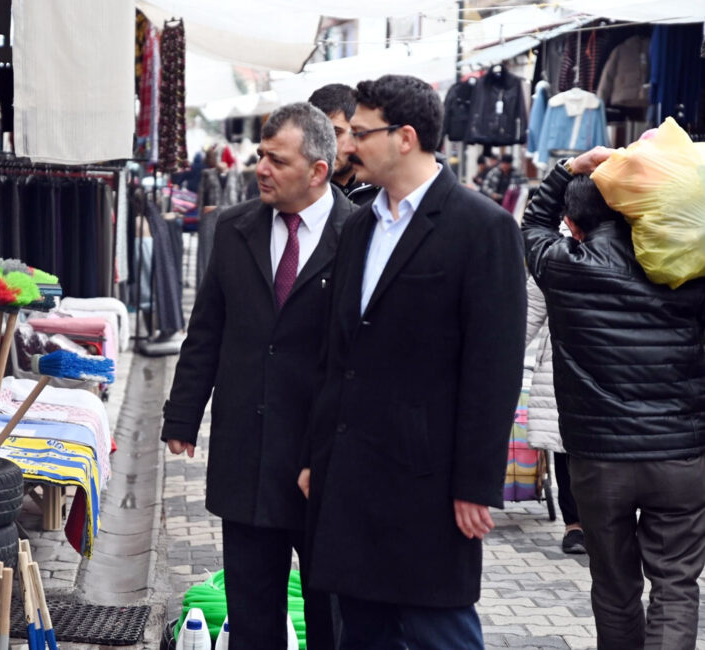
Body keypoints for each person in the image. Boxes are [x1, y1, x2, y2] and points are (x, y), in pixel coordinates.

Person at [298, 75, 526, 648]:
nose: (347, 147)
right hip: (352, 474)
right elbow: (337, 357)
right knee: (361, 631)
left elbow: (494, 367)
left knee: (439, 628)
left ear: (404, 137)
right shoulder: (359, 227)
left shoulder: (483, 227)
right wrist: (315, 456)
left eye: (360, 133)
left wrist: (476, 483)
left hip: (428, 479)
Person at [162, 102, 356, 649]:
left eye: (276, 159)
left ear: (318, 170)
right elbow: (207, 328)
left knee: (331, 617)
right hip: (246, 452)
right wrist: (183, 415)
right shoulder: (234, 228)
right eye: (260, 156)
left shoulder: (360, 234)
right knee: (252, 616)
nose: (260, 169)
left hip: (322, 461)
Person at [522, 149, 705, 648]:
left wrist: (567, 169)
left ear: (573, 225)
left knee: (615, 587)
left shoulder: (564, 266)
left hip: (600, 462)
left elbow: (532, 225)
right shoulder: (690, 269)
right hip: (681, 456)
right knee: (676, 584)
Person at [524, 275, 585, 555]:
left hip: (619, 361)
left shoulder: (639, 244)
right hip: (563, 362)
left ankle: (607, 525)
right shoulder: (556, 254)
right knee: (564, 443)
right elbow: (526, 315)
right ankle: (574, 525)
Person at [307, 83, 379, 206]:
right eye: (315, 134)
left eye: (335, 133)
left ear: (357, 131)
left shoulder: (386, 188)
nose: (325, 144)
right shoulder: (299, 194)